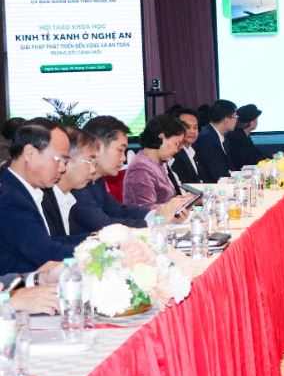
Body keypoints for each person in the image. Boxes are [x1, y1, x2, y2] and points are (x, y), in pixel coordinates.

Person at [70, 116, 186, 235]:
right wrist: (155, 221)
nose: (123, 158)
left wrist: (157, 214)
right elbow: (102, 224)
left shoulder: (97, 181)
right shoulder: (78, 184)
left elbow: (119, 211)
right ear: (98, 146)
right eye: (120, 150)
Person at [0, 119, 84, 272]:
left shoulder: (37, 189)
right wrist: (102, 250)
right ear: (30, 153)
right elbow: (46, 254)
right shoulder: (8, 198)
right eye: (59, 160)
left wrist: (99, 238)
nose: (63, 168)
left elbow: (54, 240)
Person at [43, 127, 98, 238]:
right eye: (89, 161)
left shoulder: (68, 197)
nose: (93, 170)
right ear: (65, 158)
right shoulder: (42, 201)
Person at [123, 114, 187, 210]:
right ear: (162, 138)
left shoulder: (156, 163)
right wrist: (174, 206)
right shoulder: (141, 167)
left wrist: (183, 201)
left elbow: (167, 199)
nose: (177, 149)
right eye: (176, 143)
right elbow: (145, 208)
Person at [194, 99, 237, 182]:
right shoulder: (206, 138)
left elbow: (229, 168)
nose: (236, 120)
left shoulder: (220, 136)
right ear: (225, 119)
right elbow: (216, 173)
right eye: (235, 117)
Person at [169, 107, 206, 184]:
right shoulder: (173, 154)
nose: (192, 131)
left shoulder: (195, 151)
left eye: (195, 128)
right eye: (187, 127)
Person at [227, 104, 267, 169]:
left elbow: (258, 154)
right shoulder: (237, 139)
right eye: (256, 119)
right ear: (251, 122)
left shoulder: (243, 136)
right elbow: (251, 159)